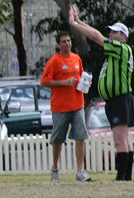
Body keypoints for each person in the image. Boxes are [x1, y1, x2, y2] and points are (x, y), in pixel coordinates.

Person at [69, 4, 134, 181]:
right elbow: (98, 33)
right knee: (123, 139)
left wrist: (75, 25)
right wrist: (78, 20)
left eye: (115, 33)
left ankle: (122, 177)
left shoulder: (121, 49)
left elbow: (97, 36)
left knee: (120, 139)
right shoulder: (115, 52)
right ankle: (126, 177)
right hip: (116, 100)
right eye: (111, 32)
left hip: (120, 98)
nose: (111, 35)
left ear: (124, 37)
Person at [40, 31, 91, 182]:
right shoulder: (54, 61)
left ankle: (80, 172)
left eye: (69, 41)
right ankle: (55, 169)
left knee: (80, 137)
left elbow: (82, 76)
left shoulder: (76, 58)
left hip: (77, 105)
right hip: (60, 107)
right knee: (58, 139)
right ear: (58, 44)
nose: (67, 43)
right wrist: (63, 82)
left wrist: (86, 83)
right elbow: (44, 82)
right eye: (63, 41)